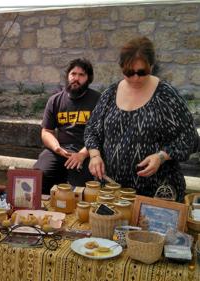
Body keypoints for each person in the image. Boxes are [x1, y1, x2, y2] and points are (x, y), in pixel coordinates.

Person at [84, 36, 198, 202]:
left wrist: (161, 157)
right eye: (129, 73)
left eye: (141, 72)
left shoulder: (166, 96)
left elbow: (190, 139)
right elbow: (92, 130)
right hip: (113, 192)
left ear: (151, 66)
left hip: (156, 193)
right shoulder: (110, 94)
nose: (135, 78)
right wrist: (94, 156)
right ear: (122, 68)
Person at [34, 58, 100, 194]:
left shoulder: (97, 100)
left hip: (86, 152)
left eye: (81, 75)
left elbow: (101, 134)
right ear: (67, 76)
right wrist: (56, 147)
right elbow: (46, 131)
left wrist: (81, 155)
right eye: (73, 74)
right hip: (60, 150)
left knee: (79, 191)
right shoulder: (55, 100)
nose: (76, 78)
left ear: (88, 78)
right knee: (37, 177)